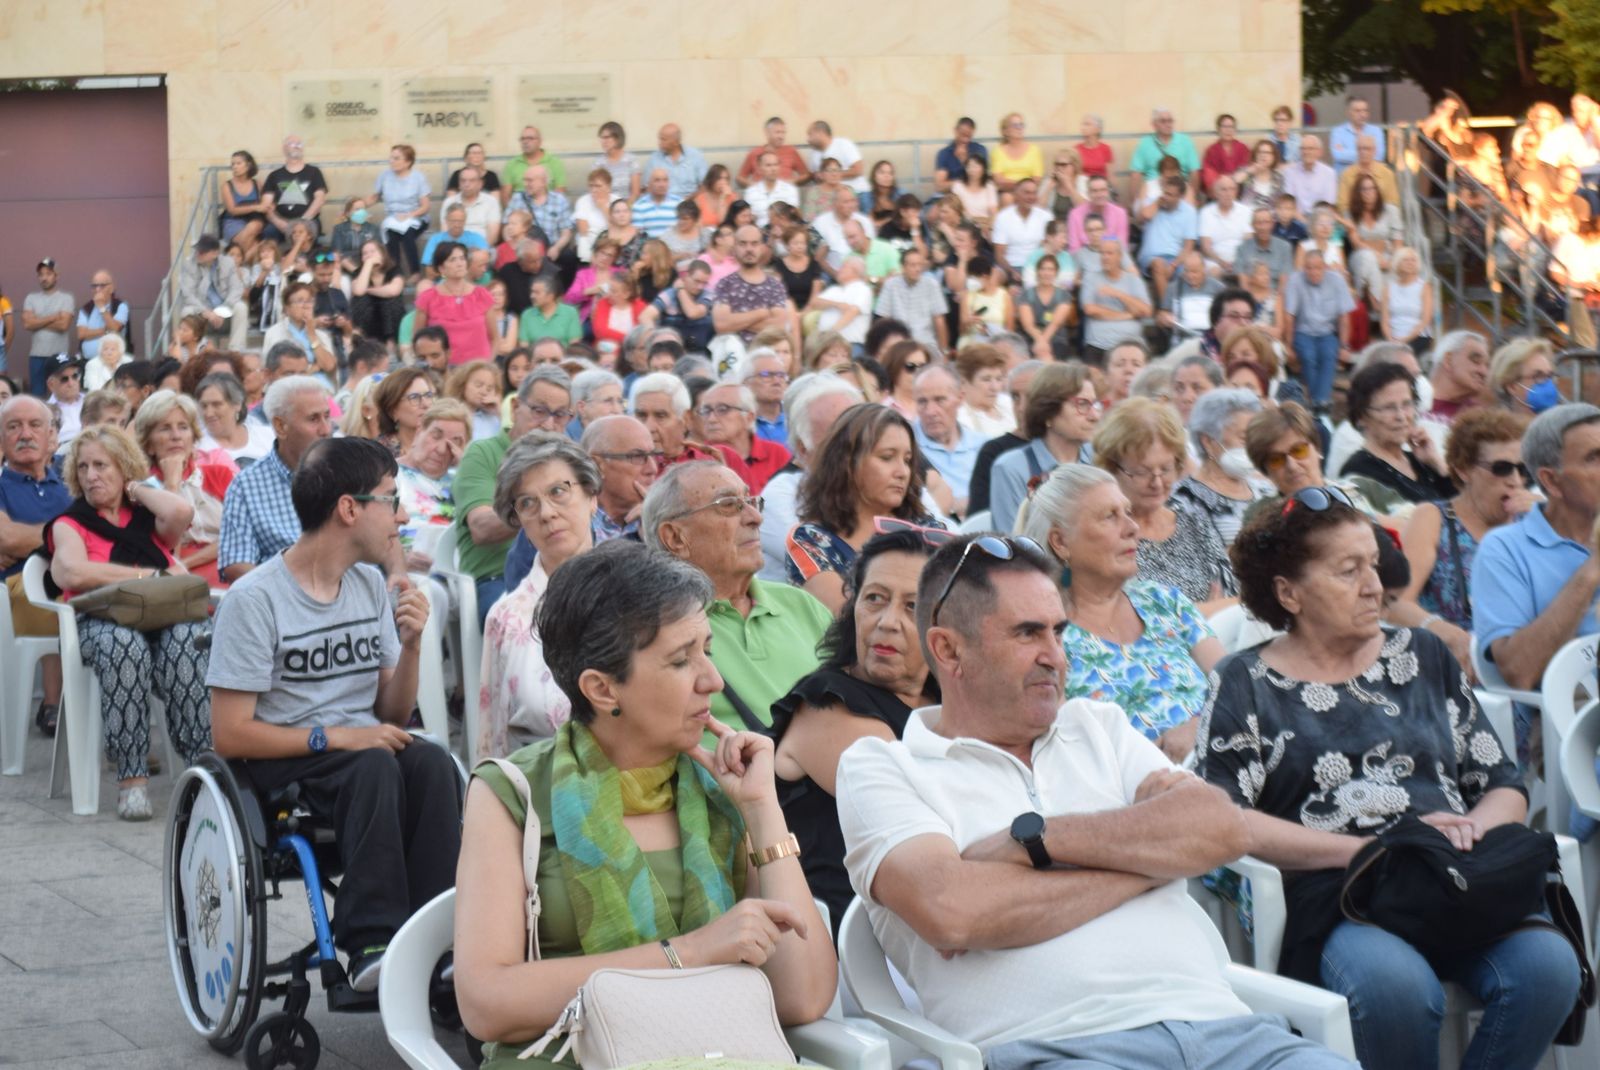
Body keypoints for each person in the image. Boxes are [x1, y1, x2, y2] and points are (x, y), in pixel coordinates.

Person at [836, 533, 1355, 1070]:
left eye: (1058, 630)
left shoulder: (1097, 726)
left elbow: (1220, 828)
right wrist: (1155, 861)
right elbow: (954, 912)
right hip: (1058, 1048)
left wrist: (1036, 840)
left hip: (1229, 1032)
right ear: (948, 650)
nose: (1055, 656)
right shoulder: (883, 767)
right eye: (1027, 633)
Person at [1199, 489, 1579, 1070]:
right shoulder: (1245, 681)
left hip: (1454, 875)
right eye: (1348, 571)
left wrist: (1469, 831)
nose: (1375, 586)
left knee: (1549, 970)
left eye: (1373, 564)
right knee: (1397, 991)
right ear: (1288, 592)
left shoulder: (1423, 654)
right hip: (1344, 893)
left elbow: (1502, 780)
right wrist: (1369, 851)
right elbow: (1226, 821)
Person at [456, 538, 836, 1070]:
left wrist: (763, 810)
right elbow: (486, 1004)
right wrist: (694, 954)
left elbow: (804, 996)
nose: (713, 679)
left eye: (708, 648)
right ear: (603, 689)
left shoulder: (720, 790)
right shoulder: (515, 792)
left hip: (717, 1053)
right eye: (682, 660)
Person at [209, 435, 460, 992]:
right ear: (350, 508)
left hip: (357, 747)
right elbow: (229, 735)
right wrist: (337, 738)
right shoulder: (256, 600)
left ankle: (442, 937)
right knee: (371, 763)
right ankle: (372, 941)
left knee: (433, 762)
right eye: (391, 499)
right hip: (286, 759)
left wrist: (413, 645)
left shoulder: (369, 585)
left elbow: (392, 710)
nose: (400, 515)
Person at [771, 527, 938, 929]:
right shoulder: (827, 704)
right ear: (854, 607)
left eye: (912, 606)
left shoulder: (947, 699)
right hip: (858, 938)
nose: (886, 623)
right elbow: (928, 818)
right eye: (875, 599)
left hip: (930, 916)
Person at [45, 424, 210, 820]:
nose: (91, 475)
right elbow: (70, 572)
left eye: (102, 465)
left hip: (160, 618)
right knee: (125, 646)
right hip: (99, 623)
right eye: (83, 467)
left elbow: (181, 512)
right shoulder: (71, 522)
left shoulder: (145, 517)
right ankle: (132, 778)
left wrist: (135, 489)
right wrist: (144, 576)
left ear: (123, 468)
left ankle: (203, 768)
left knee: (187, 639)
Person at [1020, 463, 1221, 759]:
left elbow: (1237, 687)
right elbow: (1061, 750)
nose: (1133, 528)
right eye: (1109, 517)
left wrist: (1201, 727)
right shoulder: (1046, 637)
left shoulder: (1163, 602)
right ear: (1061, 541)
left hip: (1223, 758)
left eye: (1127, 512)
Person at [638, 462, 830, 736]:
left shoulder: (801, 604)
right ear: (675, 537)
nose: (755, 517)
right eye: (728, 504)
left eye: (751, 501)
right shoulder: (656, 630)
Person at [478, 435, 601, 758]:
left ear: (591, 496)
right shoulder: (507, 616)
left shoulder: (638, 594)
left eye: (558, 491)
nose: (546, 513)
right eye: (527, 503)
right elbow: (492, 741)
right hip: (539, 789)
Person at [1387, 408, 1532, 675]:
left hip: (1524, 667)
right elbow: (1395, 603)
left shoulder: (1533, 521)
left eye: (1522, 469)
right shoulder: (1433, 518)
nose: (1515, 480)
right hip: (1455, 669)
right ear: (1464, 470)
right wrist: (1441, 629)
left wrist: (1548, 520)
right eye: (1502, 468)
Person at [1471, 403, 1600, 696]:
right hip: (1568, 726)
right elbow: (1520, 671)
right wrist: (1593, 569)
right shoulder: (1504, 549)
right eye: (1595, 457)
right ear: (1551, 481)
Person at [786, 403, 936, 613]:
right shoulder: (810, 540)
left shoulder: (925, 528)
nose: (902, 471)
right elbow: (849, 619)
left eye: (908, 460)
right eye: (886, 457)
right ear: (847, 463)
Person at [457, 366, 574, 623]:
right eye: (539, 410)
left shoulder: (570, 462)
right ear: (515, 408)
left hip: (566, 577)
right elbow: (482, 528)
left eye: (560, 415)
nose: (548, 423)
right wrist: (546, 504)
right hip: (497, 579)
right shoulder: (483, 453)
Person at [1092, 397, 1232, 608]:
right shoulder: (1106, 535)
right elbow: (1129, 617)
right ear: (1112, 469)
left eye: (1166, 469)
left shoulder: (1194, 521)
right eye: (1142, 472)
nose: (1157, 483)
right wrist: (1203, 612)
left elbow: (1232, 599)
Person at [217, 375, 333, 583]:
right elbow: (236, 565)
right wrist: (291, 593)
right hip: (285, 602)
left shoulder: (348, 472)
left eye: (327, 416)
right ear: (280, 426)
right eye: (314, 419)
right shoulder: (247, 486)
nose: (326, 430)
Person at [1, 394, 70, 735]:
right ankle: (54, 701)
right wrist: (70, 538)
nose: (24, 434)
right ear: (2, 439)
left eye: (34, 425)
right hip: (18, 592)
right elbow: (6, 540)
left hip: (75, 581)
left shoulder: (73, 479)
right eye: (13, 427)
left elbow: (104, 532)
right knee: (59, 598)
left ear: (50, 436)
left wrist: (34, 541)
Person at [134, 389, 235, 586]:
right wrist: (172, 485)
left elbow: (239, 535)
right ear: (148, 444)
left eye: (183, 427)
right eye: (165, 428)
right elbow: (168, 552)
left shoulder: (219, 474)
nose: (176, 436)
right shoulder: (142, 490)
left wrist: (188, 562)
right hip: (177, 581)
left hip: (229, 564)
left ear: (193, 436)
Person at [990, 362, 1099, 532]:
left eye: (1094, 404)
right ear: (1048, 411)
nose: (1094, 416)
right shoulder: (1011, 468)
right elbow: (1012, 546)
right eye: (1082, 404)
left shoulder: (1099, 460)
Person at [1339, 363, 1455, 504]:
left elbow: (1462, 510)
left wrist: (1438, 465)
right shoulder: (1359, 472)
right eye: (1389, 407)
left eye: (1406, 404)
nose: (1401, 416)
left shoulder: (1420, 462)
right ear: (1362, 416)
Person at [1173, 388, 1274, 548]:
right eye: (1243, 437)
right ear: (1208, 441)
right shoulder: (1182, 500)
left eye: (1255, 437)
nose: (1252, 445)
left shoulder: (1267, 492)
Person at [1284, 251, 1355, 413]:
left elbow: (1344, 318)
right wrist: (1288, 345)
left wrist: (1344, 345)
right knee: (1308, 357)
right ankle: (1321, 404)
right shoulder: (1295, 280)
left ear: (1325, 267)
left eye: (1317, 268)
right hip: (1303, 331)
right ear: (1303, 268)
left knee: (1329, 354)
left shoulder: (1336, 280)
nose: (1313, 272)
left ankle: (1317, 402)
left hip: (1327, 332)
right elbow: (1290, 317)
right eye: (1308, 268)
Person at [913, 365, 984, 517]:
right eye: (922, 402)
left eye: (940, 400)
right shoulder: (906, 447)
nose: (931, 411)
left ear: (960, 398)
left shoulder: (984, 446)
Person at [697, 382, 791, 495]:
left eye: (723, 409)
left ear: (749, 417)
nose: (711, 419)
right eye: (706, 411)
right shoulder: (697, 458)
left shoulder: (776, 453)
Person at [395, 399, 469, 537]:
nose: (441, 450)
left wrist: (467, 468)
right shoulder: (388, 474)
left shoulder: (463, 480)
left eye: (454, 442)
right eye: (436, 436)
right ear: (419, 431)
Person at [414, 243, 496, 365]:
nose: (460, 263)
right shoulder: (428, 298)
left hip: (478, 369)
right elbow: (417, 340)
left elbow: (495, 338)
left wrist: (488, 366)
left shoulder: (482, 295)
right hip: (443, 372)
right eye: (453, 260)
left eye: (462, 258)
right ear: (441, 268)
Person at [1080, 238, 1154, 364]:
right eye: (1102, 253)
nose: (1105, 257)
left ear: (1120, 256)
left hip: (1130, 346)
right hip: (1099, 345)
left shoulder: (1133, 280)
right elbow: (1091, 310)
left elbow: (1146, 311)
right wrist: (1127, 314)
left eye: (1109, 253)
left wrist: (1118, 294)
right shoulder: (1091, 278)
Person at [176, 238, 247, 352]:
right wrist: (207, 312)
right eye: (198, 251)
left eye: (203, 252)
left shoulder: (228, 263)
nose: (198, 254)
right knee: (187, 311)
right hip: (203, 312)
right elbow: (188, 294)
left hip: (225, 311)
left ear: (215, 253)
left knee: (241, 307)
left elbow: (237, 288)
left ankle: (236, 350)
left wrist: (223, 309)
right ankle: (193, 351)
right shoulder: (189, 264)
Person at [371, 144, 431, 278]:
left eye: (396, 158)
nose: (392, 161)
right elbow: (374, 197)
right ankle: (395, 273)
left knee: (407, 234)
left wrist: (410, 215)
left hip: (416, 216)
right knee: (391, 235)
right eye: (391, 158)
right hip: (394, 218)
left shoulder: (418, 177)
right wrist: (359, 205)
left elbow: (425, 206)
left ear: (408, 162)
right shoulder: (384, 176)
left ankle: (415, 272)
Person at [260, 135, 328, 242]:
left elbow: (320, 199)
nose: (296, 147)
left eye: (299, 144)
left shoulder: (314, 172)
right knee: (268, 233)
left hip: (308, 220)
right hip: (280, 222)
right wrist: (279, 223)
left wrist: (302, 222)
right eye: (292, 144)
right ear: (284, 148)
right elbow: (266, 205)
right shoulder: (274, 176)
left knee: (306, 233)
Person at [1488, 336, 1560, 418]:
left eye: (1550, 376)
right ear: (1512, 386)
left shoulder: (1559, 429)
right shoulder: (1494, 430)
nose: (1548, 384)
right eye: (1538, 376)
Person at [1380, 246, 1433, 354]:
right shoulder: (1388, 288)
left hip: (1417, 337)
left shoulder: (1424, 287)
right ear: (1397, 263)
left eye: (1413, 260)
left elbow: (1425, 320)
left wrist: (1404, 340)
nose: (1410, 263)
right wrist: (1390, 339)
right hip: (1393, 337)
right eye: (1406, 260)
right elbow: (1385, 320)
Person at [1329, 95, 1387, 174]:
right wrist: (1368, 154)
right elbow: (1338, 155)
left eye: (1365, 110)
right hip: (1344, 180)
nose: (1362, 114)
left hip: (1369, 180)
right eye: (1358, 111)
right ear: (1348, 112)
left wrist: (1346, 153)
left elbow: (1379, 156)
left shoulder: (1376, 131)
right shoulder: (1338, 132)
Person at [1284, 134, 1337, 217]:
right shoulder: (1290, 172)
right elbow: (1289, 205)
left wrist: (1314, 224)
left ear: (1320, 152)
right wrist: (1304, 223)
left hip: (1320, 220)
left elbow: (1328, 205)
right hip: (1296, 221)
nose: (1306, 152)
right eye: (1303, 149)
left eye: (1310, 149)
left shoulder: (1329, 173)